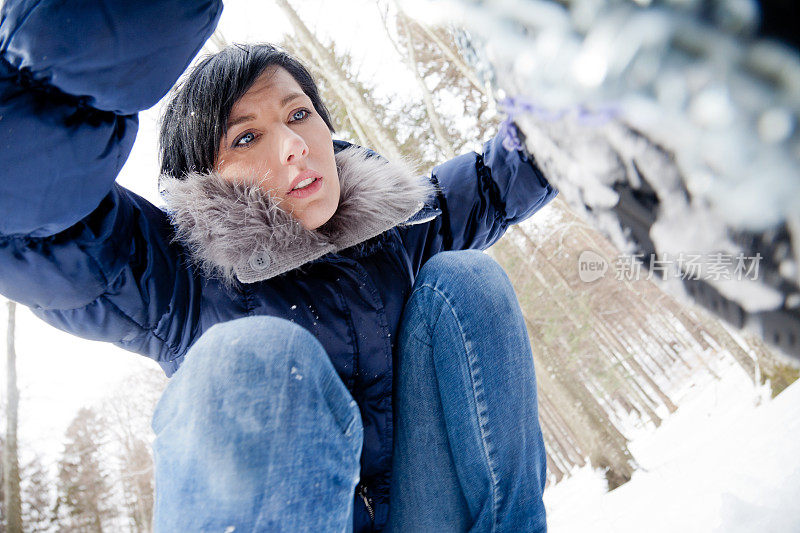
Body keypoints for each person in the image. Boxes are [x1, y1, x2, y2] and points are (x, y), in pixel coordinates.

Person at [0, 1, 557, 531]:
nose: (294, 145)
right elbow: (30, 205)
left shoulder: (394, 230)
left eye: (299, 114)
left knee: (464, 282)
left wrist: (580, 103)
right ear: (205, 179)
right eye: (247, 136)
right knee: (252, 351)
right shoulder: (171, 278)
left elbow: (499, 175)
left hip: (426, 516)